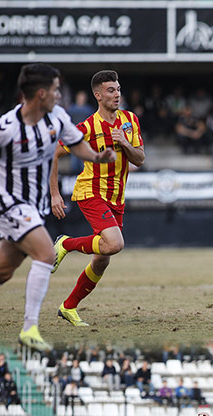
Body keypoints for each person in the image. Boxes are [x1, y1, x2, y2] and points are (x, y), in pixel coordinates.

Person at [0, 63, 115, 350]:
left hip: (33, 205)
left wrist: (97, 158)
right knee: (46, 253)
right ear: (41, 93)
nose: (60, 95)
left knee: (1, 271)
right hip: (8, 203)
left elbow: (76, 143)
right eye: (57, 90)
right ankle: (29, 328)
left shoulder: (57, 117)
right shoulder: (4, 127)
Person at [50, 69, 144, 327]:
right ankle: (66, 244)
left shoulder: (130, 121)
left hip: (117, 197)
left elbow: (140, 158)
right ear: (98, 95)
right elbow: (54, 154)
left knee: (102, 259)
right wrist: (55, 193)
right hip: (91, 191)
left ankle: (68, 307)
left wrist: (125, 143)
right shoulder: (86, 128)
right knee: (114, 244)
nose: (117, 94)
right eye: (111, 90)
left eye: (118, 89)